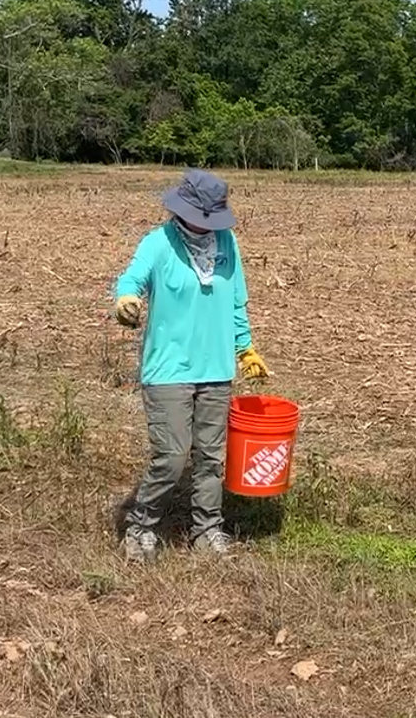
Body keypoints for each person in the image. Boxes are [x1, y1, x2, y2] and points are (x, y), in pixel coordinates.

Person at [112, 168, 270, 563]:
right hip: (168, 370)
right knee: (173, 456)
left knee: (211, 459)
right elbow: (131, 280)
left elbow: (235, 303)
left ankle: (207, 529)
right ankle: (141, 526)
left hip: (216, 369)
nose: (206, 224)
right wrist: (126, 300)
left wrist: (246, 348)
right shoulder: (158, 244)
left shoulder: (226, 244)